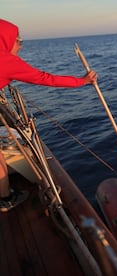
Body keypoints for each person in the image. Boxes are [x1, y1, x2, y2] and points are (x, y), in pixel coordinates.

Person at [0, 18, 98, 212]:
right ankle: (5, 199)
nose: (20, 46)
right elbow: (46, 79)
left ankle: (5, 196)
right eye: (18, 41)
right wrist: (82, 81)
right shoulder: (7, 61)